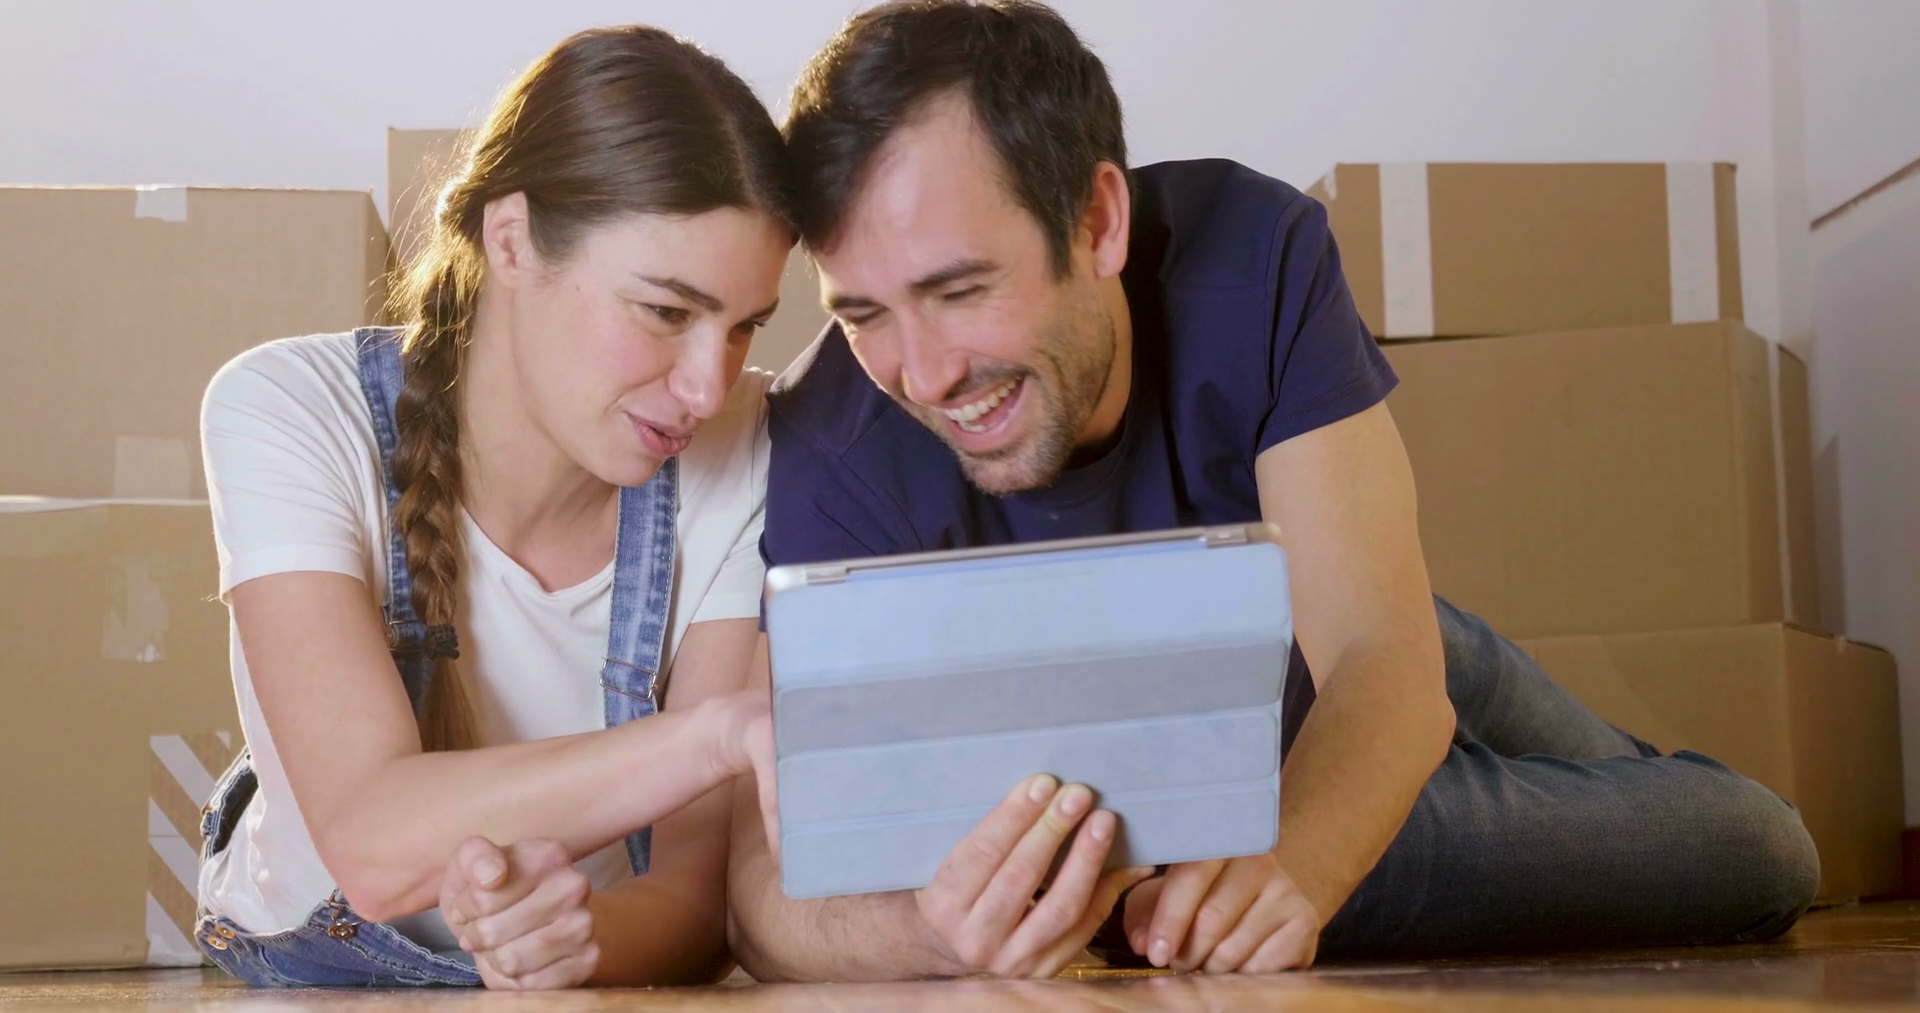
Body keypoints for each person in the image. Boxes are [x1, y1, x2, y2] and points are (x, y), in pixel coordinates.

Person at [727, 0, 1821, 980]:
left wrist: (1302, 864)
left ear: (1098, 222)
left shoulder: (1254, 251)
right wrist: (937, 931)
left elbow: (1380, 657)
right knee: (1759, 846)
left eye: (960, 289)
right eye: (862, 313)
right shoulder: (830, 429)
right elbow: (762, 900)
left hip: (1344, 663)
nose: (922, 375)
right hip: (1196, 825)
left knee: (1689, 812)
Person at [195, 26, 791, 989]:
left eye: (743, 327)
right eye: (667, 312)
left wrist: (576, 944)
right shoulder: (286, 407)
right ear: (509, 239)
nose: (705, 386)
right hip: (320, 973)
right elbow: (373, 840)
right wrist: (716, 735)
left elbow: (694, 900)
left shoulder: (748, 446)